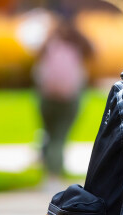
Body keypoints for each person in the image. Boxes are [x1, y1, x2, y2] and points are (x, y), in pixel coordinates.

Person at [33, 13, 94, 180]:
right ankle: (54, 172)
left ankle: (47, 165)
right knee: (59, 136)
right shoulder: (79, 43)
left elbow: (36, 57)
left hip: (47, 95)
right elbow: (94, 53)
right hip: (69, 97)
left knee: (49, 132)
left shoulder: (49, 41)